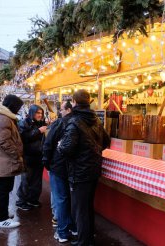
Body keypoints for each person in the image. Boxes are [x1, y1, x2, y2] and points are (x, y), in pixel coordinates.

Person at [58, 90, 110, 245]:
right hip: (93, 170)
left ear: (74, 102)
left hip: (79, 172)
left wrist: (60, 146)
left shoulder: (74, 121)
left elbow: (67, 148)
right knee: (87, 207)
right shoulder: (96, 120)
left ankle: (84, 242)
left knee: (80, 209)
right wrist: (92, 151)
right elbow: (106, 141)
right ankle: (87, 238)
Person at [43, 101, 76, 243]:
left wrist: (46, 162)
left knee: (61, 199)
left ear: (68, 109)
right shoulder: (80, 123)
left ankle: (62, 232)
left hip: (59, 166)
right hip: (75, 168)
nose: (60, 112)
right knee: (72, 199)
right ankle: (74, 228)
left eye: (61, 109)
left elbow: (48, 144)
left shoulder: (59, 123)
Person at [0, 95, 24, 228]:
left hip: (4, 161)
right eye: (18, 107)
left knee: (4, 189)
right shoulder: (4, 118)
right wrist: (16, 155)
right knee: (2, 190)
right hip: (4, 162)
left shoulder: (5, 116)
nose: (19, 110)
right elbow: (3, 141)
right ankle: (2, 219)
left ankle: (2, 213)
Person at [16, 104, 47, 210]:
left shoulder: (42, 123)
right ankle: (22, 201)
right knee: (26, 180)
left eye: (41, 113)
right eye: (37, 113)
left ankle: (33, 199)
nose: (40, 115)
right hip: (28, 156)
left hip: (39, 156)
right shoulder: (24, 123)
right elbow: (23, 138)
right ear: (32, 112)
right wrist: (38, 131)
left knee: (37, 180)